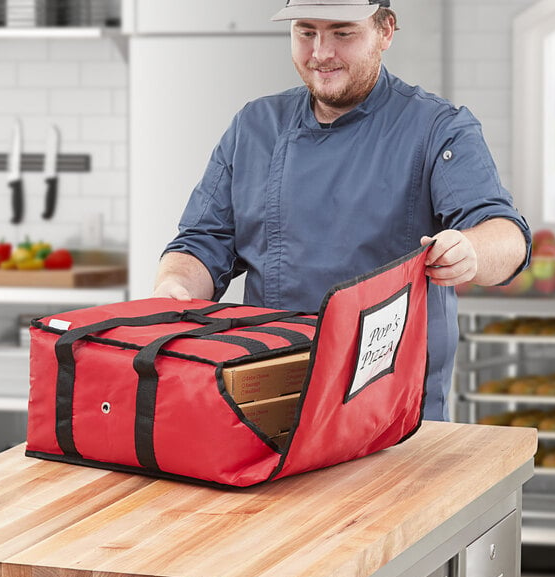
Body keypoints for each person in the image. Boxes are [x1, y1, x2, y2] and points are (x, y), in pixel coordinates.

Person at [153, 0, 531, 421]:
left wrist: (471, 250)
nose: (321, 52)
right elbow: (203, 243)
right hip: (272, 397)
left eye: (342, 32)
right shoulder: (255, 126)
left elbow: (506, 236)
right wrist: (175, 285)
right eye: (306, 32)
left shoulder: (438, 127)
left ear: (385, 31)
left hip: (393, 413)